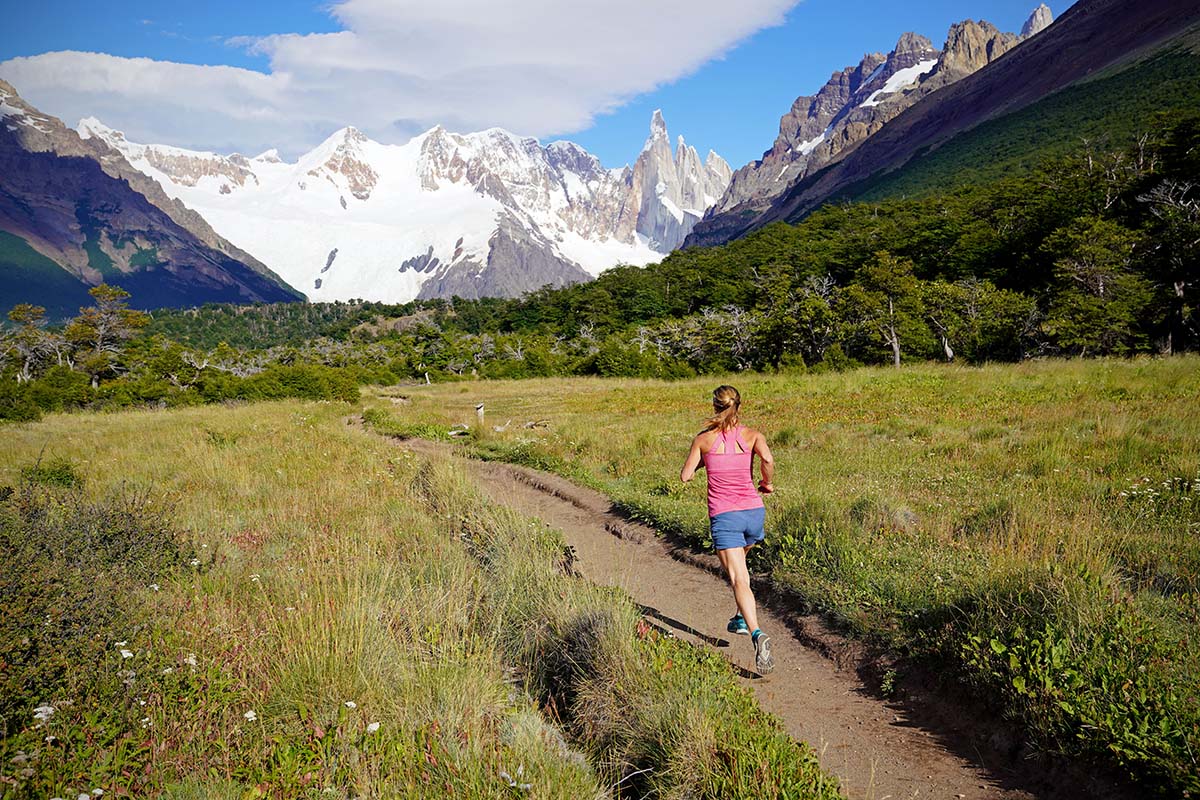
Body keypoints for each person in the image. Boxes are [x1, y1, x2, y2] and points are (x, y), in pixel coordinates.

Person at [679, 385, 776, 674]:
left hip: (726, 517)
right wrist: (767, 483)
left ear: (714, 406)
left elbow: (685, 476)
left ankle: (758, 634)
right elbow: (768, 461)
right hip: (753, 513)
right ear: (739, 406)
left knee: (738, 579)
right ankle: (740, 617)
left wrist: (704, 462)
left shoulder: (704, 440)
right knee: (741, 568)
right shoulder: (753, 435)